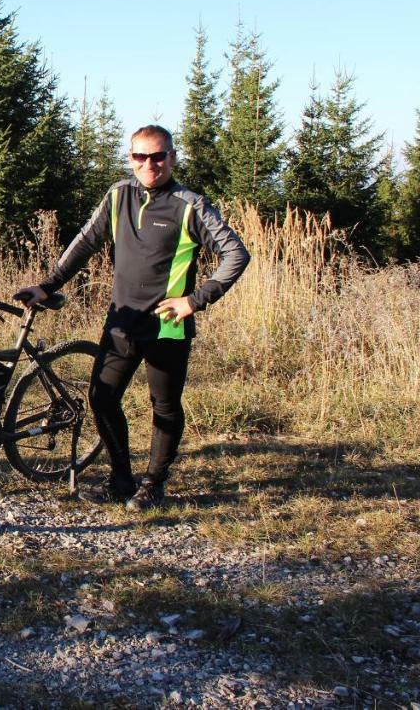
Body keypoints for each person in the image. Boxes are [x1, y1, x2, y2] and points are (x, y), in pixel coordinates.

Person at [13, 125, 249, 511]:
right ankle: (121, 480)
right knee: (101, 398)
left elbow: (236, 255)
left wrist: (195, 300)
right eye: (140, 156)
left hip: (168, 325)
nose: (149, 164)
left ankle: (153, 484)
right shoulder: (118, 195)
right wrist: (47, 284)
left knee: (165, 406)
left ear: (172, 157)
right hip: (121, 322)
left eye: (158, 156)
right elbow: (86, 241)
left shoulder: (189, 205)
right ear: (130, 159)